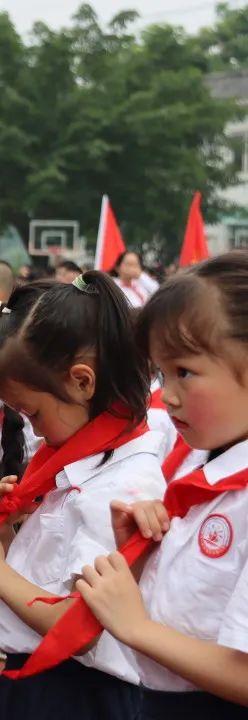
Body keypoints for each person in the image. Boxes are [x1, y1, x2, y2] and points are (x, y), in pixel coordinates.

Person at [0, 273, 166, 719]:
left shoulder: (125, 485)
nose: (33, 428)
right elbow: (43, 575)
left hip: (77, 691)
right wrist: (7, 534)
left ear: (83, 382)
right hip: (45, 680)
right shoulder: (80, 461)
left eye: (33, 412)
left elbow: (76, 624)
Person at [74, 252, 248, 717]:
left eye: (185, 372)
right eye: (161, 373)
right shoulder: (197, 460)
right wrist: (141, 554)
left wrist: (136, 627)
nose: (166, 394)